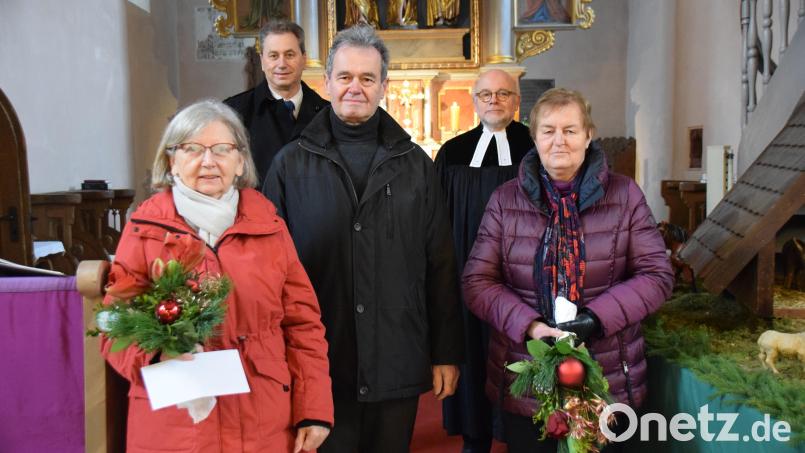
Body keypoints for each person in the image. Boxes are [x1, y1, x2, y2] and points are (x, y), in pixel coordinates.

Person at [264, 25, 464, 453]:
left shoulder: (415, 165)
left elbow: (441, 262)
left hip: (397, 351)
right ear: (327, 82)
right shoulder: (289, 165)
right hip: (320, 362)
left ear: (383, 86)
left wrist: (445, 351)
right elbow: (268, 268)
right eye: (345, 77)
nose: (356, 87)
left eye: (367, 78)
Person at [100, 100, 333, 452]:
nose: (208, 161)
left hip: (263, 419)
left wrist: (313, 409)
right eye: (192, 149)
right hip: (176, 427)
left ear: (240, 162)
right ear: (171, 161)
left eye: (222, 149)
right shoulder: (144, 229)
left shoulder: (269, 226)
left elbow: (303, 325)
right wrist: (156, 353)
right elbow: (114, 327)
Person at [462, 88, 674, 452]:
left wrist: (596, 318)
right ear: (534, 137)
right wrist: (528, 325)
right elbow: (477, 282)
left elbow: (657, 275)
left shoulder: (624, 196)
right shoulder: (505, 200)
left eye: (570, 130)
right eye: (548, 130)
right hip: (529, 376)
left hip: (607, 378)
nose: (559, 140)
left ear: (588, 135)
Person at [435, 69, 533, 453]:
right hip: (467, 272)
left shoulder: (535, 149)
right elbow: (436, 216)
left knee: (519, 355)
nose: (494, 100)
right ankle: (474, 436)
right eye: (486, 94)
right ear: (474, 100)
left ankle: (520, 435)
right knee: (472, 355)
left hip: (522, 279)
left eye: (503, 93)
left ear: (517, 102)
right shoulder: (453, 153)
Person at [225, 19, 328, 188]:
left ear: (304, 59)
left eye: (289, 55)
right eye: (273, 56)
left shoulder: (328, 114)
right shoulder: (234, 112)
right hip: (257, 212)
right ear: (262, 61)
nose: (282, 64)